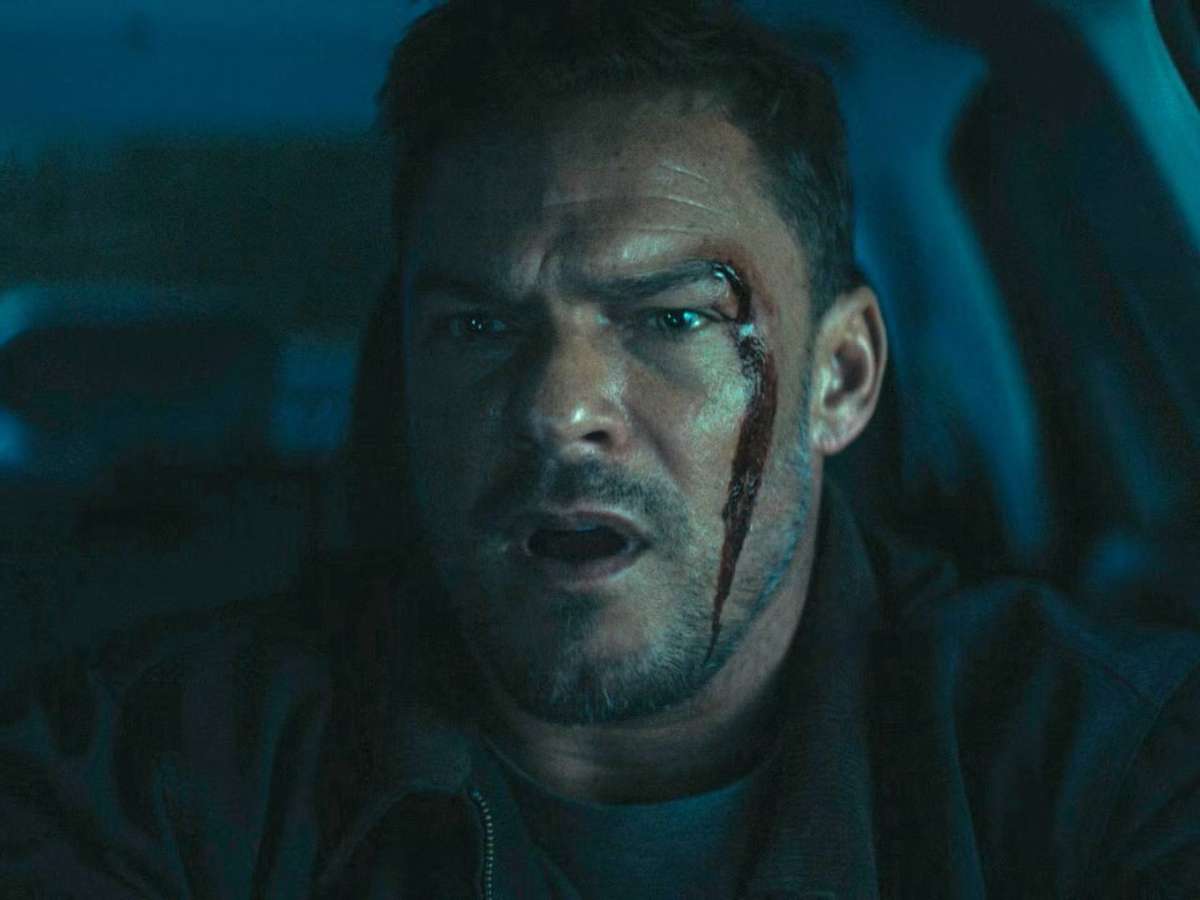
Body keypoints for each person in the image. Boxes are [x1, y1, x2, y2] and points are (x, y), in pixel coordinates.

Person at [2, 2, 1198, 897]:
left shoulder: (1109, 763)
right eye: (478, 329)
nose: (559, 408)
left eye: (673, 320)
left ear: (841, 379)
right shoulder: (141, 778)